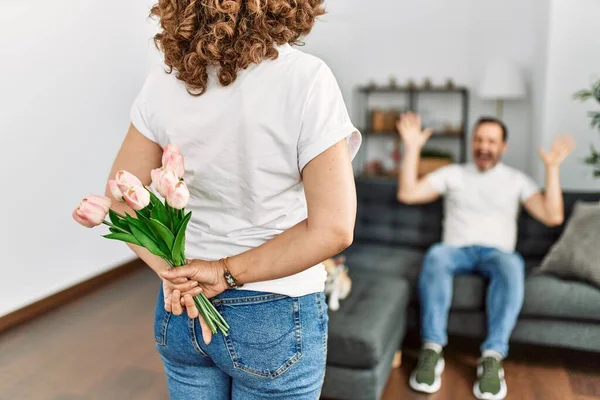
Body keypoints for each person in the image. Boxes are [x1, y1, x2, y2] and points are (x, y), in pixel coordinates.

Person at [103, 1, 361, 399]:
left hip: (182, 307)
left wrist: (174, 274)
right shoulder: (306, 80)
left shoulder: (164, 80)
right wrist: (223, 272)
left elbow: (119, 199)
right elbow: (334, 229)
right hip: (274, 311)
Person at [396, 112, 574, 400]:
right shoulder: (453, 174)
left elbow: (553, 216)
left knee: (512, 264)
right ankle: (431, 350)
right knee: (435, 256)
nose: (483, 146)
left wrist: (552, 168)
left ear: (503, 146)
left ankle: (492, 357)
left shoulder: (517, 180)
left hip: (497, 254)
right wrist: (413, 148)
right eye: (478, 139)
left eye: (491, 141)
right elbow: (408, 193)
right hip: (455, 251)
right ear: (472, 142)